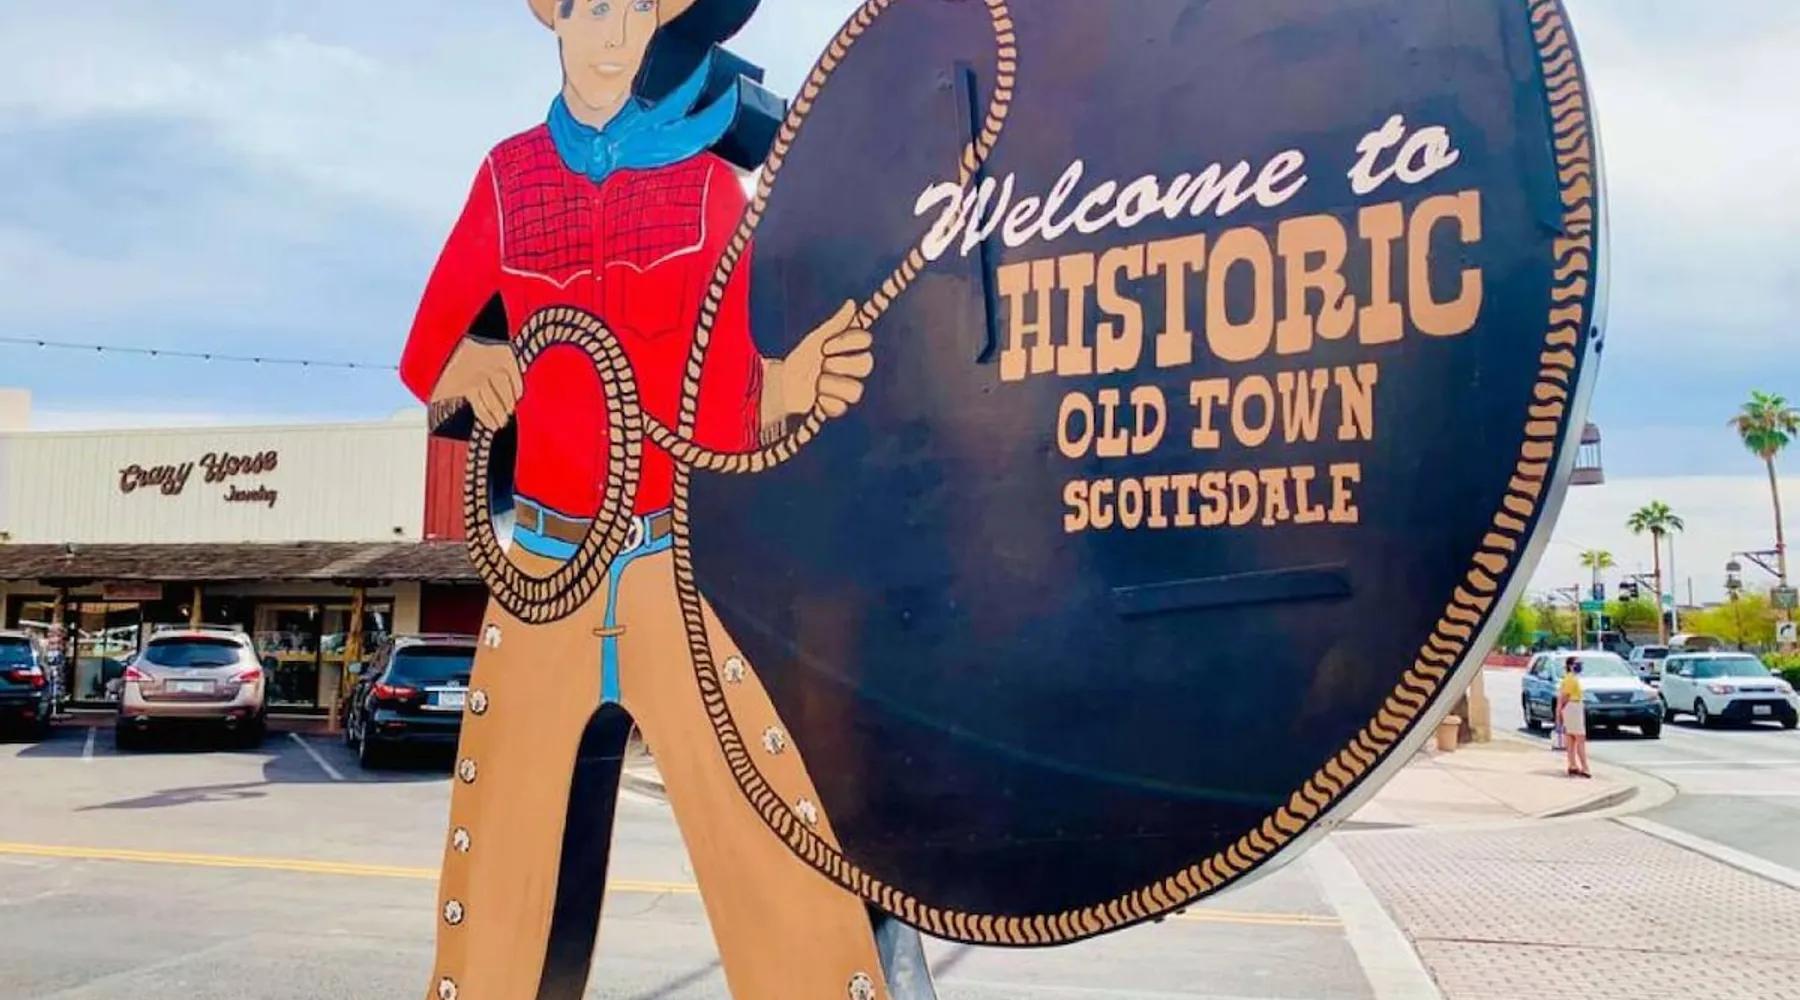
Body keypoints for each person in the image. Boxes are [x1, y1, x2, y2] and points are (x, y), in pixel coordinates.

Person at [398, 2, 891, 999]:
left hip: (675, 562)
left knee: (769, 842)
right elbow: (425, 353)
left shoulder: (709, 185)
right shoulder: (507, 177)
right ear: (557, 19)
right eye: (595, 7)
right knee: (498, 877)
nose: (615, 35)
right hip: (544, 568)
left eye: (637, 9)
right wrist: (470, 363)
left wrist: (789, 386)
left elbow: (731, 394)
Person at [1558, 657, 1590, 778]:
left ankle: (1572, 765)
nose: (1580, 666)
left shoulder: (1571, 678)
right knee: (1580, 738)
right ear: (1570, 665)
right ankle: (1585, 767)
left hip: (1572, 708)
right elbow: (1564, 697)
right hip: (1573, 707)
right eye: (1577, 663)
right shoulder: (1570, 679)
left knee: (1571, 738)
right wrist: (1560, 713)